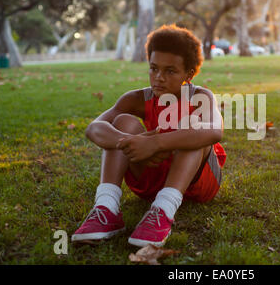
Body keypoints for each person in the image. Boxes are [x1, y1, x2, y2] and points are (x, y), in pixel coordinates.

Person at [71, 24, 226, 247]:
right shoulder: (136, 99)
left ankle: (163, 210)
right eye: (154, 68)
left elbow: (214, 130)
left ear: (188, 74)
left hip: (197, 183)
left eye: (170, 71)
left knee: (193, 127)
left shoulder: (200, 96)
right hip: (152, 180)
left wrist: (155, 143)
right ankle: (107, 208)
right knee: (122, 122)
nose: (159, 78)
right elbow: (93, 128)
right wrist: (133, 143)